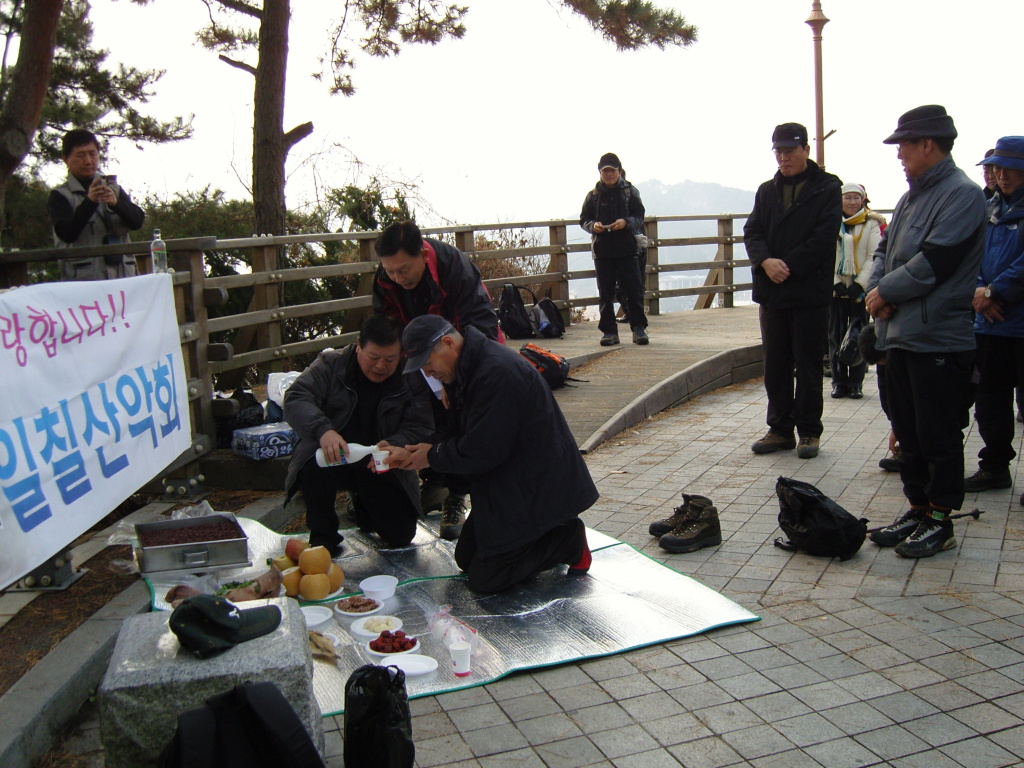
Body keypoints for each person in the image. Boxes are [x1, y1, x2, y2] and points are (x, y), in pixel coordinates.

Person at [394, 314, 598, 593]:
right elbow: (455, 431)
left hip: (538, 486)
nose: (428, 373)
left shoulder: (497, 372)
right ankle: (538, 538)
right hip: (507, 479)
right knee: (466, 559)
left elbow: (483, 450)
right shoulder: (465, 368)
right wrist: (412, 450)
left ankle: (568, 539)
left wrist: (432, 455)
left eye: (427, 364)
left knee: (486, 578)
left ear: (448, 343)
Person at [865, 105, 986, 558]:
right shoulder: (911, 196)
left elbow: (936, 261)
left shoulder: (962, 195)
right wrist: (877, 289)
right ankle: (917, 508)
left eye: (904, 146)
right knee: (907, 429)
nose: (899, 155)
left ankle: (940, 518)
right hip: (898, 334)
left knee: (937, 433)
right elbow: (885, 252)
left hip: (939, 336)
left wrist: (885, 293)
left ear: (928, 145)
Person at [372, 220, 503, 539]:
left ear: (422, 255)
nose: (397, 278)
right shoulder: (386, 278)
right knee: (418, 408)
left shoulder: (452, 266)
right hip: (416, 355)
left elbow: (479, 322)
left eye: (404, 269)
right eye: (390, 271)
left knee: (461, 415)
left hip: (462, 350)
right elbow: (385, 325)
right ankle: (435, 483)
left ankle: (460, 495)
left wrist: (455, 379)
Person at [282, 315, 434, 556]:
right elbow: (296, 398)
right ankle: (323, 538)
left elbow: (422, 423)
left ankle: (364, 507)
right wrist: (324, 431)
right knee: (314, 467)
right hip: (333, 454)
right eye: (373, 358)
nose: (380, 366)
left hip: (379, 461)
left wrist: (396, 445)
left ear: (401, 354)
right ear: (358, 346)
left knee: (401, 536)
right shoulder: (332, 364)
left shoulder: (410, 375)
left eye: (390, 359)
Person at [744, 122, 843, 459]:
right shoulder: (766, 190)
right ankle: (780, 428)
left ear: (806, 150)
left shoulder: (827, 188)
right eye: (779, 151)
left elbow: (824, 236)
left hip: (809, 291)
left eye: (790, 150)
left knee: (809, 363)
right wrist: (765, 261)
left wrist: (787, 265)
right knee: (776, 364)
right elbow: (753, 230)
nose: (784, 157)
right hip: (772, 293)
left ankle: (809, 432)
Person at [963, 136, 1024, 495]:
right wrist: (980, 292)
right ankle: (995, 467)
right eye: (996, 168)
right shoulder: (989, 209)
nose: (1000, 175)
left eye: (1009, 168)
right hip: (989, 323)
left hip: (1015, 318)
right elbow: (973, 257)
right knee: (989, 400)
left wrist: (993, 291)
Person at [47, 128, 146, 281]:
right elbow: (67, 234)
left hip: (123, 277)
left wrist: (116, 204)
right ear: (66, 159)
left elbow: (137, 221)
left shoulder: (114, 189)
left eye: (92, 154)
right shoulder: (60, 195)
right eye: (80, 155)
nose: (88, 161)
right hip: (85, 282)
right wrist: (90, 202)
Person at [580, 152, 649, 347]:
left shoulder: (630, 192)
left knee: (634, 290)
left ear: (619, 171)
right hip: (602, 251)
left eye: (612, 170)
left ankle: (639, 329)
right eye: (605, 171)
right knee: (605, 293)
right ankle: (609, 332)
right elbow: (584, 219)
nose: (609, 174)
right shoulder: (592, 196)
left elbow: (639, 216)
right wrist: (593, 226)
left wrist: (626, 222)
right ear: (600, 173)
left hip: (627, 249)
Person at [829, 183, 885, 399]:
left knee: (859, 334)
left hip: (861, 292)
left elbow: (874, 255)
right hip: (836, 289)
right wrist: (835, 282)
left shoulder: (871, 223)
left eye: (856, 198)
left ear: (863, 199)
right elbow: (825, 254)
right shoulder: (831, 220)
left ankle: (856, 382)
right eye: (847, 198)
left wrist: (860, 284)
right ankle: (838, 380)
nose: (852, 202)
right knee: (836, 334)